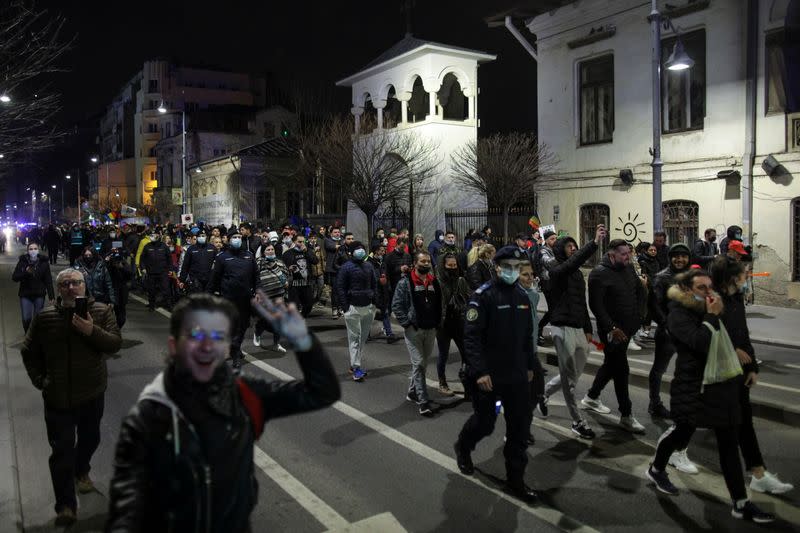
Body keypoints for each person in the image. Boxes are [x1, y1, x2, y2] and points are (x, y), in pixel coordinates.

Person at [105, 293, 340, 532]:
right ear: (174, 346)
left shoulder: (246, 395)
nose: (208, 346)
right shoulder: (149, 416)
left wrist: (304, 342)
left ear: (228, 347)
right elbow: (128, 504)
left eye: (218, 336)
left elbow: (322, 392)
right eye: (197, 334)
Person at [644, 270, 775, 524]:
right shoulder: (678, 315)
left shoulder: (715, 307)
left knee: (728, 442)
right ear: (686, 290)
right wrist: (711, 316)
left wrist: (749, 365)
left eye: (709, 287)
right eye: (701, 288)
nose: (708, 292)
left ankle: (741, 503)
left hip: (721, 384)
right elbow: (698, 341)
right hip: (693, 386)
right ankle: (657, 468)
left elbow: (734, 337)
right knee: (681, 433)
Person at [21, 268, 122, 527]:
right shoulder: (45, 317)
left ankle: (82, 469)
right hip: (57, 397)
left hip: (91, 393)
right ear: (59, 288)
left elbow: (114, 343)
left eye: (76, 283)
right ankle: (65, 504)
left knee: (90, 438)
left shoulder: (100, 311)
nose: (71, 288)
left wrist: (91, 331)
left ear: (84, 285)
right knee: (61, 451)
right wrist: (40, 380)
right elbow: (28, 350)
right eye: (65, 284)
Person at [453, 246, 537, 503]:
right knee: (485, 423)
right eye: (508, 267)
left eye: (517, 267)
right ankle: (463, 447)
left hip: (517, 376)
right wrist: (479, 372)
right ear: (497, 267)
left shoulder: (521, 297)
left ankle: (516, 480)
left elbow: (526, 336)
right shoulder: (483, 297)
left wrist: (531, 365)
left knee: (519, 430)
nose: (513, 271)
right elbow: (472, 338)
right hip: (489, 376)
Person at [710, 257, 794, 495]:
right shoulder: (710, 300)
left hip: (737, 373)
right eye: (743, 274)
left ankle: (758, 474)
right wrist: (731, 349)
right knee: (691, 426)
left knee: (744, 423)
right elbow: (705, 336)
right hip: (716, 376)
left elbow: (743, 335)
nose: (747, 277)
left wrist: (752, 368)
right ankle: (665, 459)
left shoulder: (736, 299)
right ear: (730, 278)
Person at [541, 226, 605, 439]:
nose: (574, 249)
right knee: (570, 380)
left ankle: (543, 394)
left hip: (579, 328)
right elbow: (568, 266)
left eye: (576, 247)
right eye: (570, 246)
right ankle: (578, 422)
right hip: (562, 327)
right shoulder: (555, 269)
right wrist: (594, 243)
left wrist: (588, 329)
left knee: (573, 375)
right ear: (560, 249)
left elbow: (581, 303)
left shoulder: (577, 274)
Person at [583, 239, 647, 433]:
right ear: (612, 254)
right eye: (624, 254)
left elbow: (638, 289)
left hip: (628, 328)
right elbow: (596, 306)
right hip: (612, 332)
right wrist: (611, 327)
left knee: (611, 364)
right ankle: (626, 415)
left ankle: (591, 397)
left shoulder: (627, 268)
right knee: (621, 369)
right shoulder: (598, 274)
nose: (628, 257)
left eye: (629, 253)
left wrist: (639, 317)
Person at [392, 250, 442, 416]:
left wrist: (437, 323)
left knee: (423, 364)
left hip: (430, 329)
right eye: (423, 261)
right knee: (419, 363)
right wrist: (407, 324)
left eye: (428, 261)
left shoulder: (434, 282)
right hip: (414, 330)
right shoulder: (405, 283)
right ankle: (423, 401)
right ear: (415, 263)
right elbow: (397, 305)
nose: (426, 264)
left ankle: (413, 392)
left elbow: (439, 304)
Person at [650, 243, 692, 423]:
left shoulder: (692, 276)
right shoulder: (662, 278)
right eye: (676, 256)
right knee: (659, 369)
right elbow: (654, 305)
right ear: (670, 258)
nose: (680, 259)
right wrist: (665, 324)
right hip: (668, 332)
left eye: (683, 256)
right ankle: (655, 404)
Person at [207, 233, 258, 369]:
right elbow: (215, 278)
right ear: (229, 240)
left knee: (244, 325)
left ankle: (235, 347)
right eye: (234, 237)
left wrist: (258, 290)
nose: (237, 240)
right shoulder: (222, 257)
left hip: (246, 298)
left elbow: (256, 276)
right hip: (229, 298)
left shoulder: (249, 256)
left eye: (239, 237)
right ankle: (235, 355)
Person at [337, 241, 377, 381]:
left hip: (367, 307)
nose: (360, 251)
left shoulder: (368, 266)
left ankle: (355, 365)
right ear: (351, 252)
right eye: (357, 249)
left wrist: (374, 303)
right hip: (352, 308)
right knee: (354, 338)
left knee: (362, 338)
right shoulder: (346, 267)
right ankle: (356, 368)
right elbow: (340, 288)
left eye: (362, 248)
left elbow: (374, 284)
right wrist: (345, 307)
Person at [517, 260, 545, 445]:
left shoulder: (532, 294)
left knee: (536, 391)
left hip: (532, 351)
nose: (530, 278)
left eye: (531, 274)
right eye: (525, 274)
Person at [436, 253, 470, 396]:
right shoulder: (437, 282)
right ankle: (442, 382)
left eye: (454, 265)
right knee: (443, 354)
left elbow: (468, 298)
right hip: (443, 324)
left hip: (459, 322)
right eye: (449, 265)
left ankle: (467, 382)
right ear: (443, 266)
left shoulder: (460, 280)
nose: (452, 268)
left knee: (466, 354)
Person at [254, 242, 289, 352]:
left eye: (272, 249)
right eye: (268, 250)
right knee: (266, 319)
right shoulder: (258, 263)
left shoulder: (279, 262)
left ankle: (276, 344)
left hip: (279, 295)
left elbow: (287, 274)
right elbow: (254, 278)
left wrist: (287, 281)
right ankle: (257, 332)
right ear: (263, 252)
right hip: (265, 296)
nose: (270, 251)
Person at [12, 242, 55, 332]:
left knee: (38, 318)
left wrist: (51, 295)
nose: (33, 251)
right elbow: (15, 277)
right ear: (27, 251)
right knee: (26, 318)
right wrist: (26, 273)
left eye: (35, 249)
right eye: (31, 249)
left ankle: (35, 337)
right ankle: (28, 334)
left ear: (38, 250)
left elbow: (48, 280)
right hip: (25, 294)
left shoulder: (44, 263)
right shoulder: (22, 262)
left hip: (39, 294)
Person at [282, 234, 318, 318]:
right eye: (299, 242)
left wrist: (307, 251)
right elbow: (282, 267)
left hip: (307, 283)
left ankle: (302, 317)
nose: (302, 244)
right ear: (294, 242)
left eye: (303, 242)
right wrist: (288, 268)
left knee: (309, 305)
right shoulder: (288, 253)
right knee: (294, 306)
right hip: (294, 284)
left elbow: (315, 261)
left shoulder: (307, 251)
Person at [367, 244, 398, 343]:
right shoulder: (369, 263)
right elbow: (368, 278)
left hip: (383, 291)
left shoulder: (383, 263)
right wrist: (378, 280)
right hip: (373, 291)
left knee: (385, 312)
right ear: (376, 251)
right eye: (381, 251)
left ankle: (389, 334)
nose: (383, 252)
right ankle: (366, 334)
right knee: (369, 315)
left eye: (384, 250)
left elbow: (387, 275)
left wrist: (387, 286)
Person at [533, 230, 558, 342]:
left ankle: (554, 331)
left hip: (554, 282)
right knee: (553, 309)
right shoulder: (543, 250)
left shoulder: (554, 250)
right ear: (546, 241)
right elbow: (548, 263)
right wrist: (559, 255)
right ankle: (538, 329)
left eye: (555, 238)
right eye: (552, 239)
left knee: (555, 308)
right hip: (547, 283)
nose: (555, 241)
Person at [140, 232, 171, 311]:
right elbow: (142, 259)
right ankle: (151, 305)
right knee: (151, 290)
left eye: (155, 235)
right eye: (151, 235)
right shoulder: (147, 246)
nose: (153, 237)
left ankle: (168, 304)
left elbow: (169, 259)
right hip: (151, 272)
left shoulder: (164, 246)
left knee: (166, 289)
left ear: (158, 236)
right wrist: (143, 268)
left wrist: (170, 269)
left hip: (163, 272)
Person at [106, 247, 133, 329]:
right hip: (111, 290)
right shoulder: (107, 264)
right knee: (108, 312)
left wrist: (122, 267)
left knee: (121, 317)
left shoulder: (123, 263)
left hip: (121, 292)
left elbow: (130, 275)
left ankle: (117, 328)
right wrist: (107, 262)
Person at [324, 227, 344, 318]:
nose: (337, 234)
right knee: (335, 289)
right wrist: (343, 245)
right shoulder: (328, 241)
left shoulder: (342, 240)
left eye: (338, 232)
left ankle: (340, 307)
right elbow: (334, 247)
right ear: (331, 233)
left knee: (342, 289)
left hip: (343, 269)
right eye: (335, 232)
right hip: (333, 269)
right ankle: (334, 308)